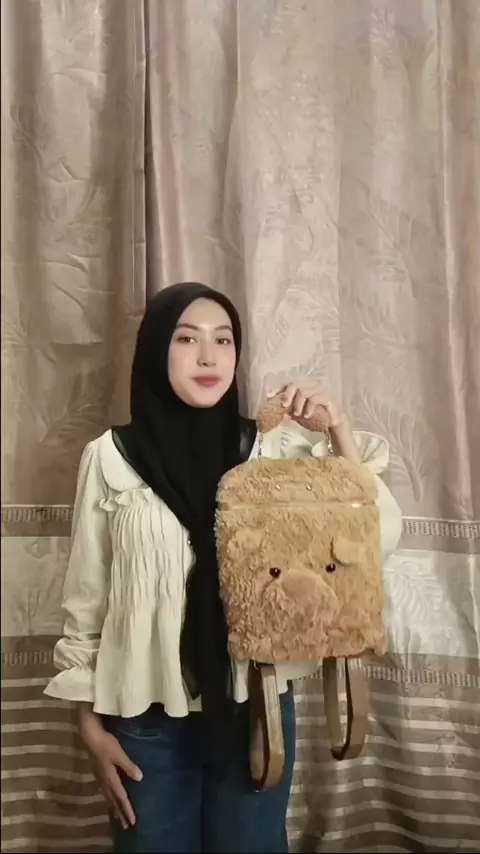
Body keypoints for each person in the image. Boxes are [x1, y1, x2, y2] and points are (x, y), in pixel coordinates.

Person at [45, 282, 402, 854]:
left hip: (255, 708)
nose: (209, 357)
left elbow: (371, 536)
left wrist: (338, 430)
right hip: (143, 717)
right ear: (155, 350)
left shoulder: (266, 452)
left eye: (224, 340)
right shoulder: (109, 458)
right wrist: (88, 724)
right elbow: (89, 598)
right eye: (187, 340)